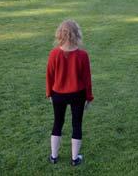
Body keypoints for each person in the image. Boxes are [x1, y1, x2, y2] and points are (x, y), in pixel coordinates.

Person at [46, 20, 94, 166]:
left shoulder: (54, 54)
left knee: (58, 123)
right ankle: (74, 159)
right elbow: (87, 79)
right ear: (77, 34)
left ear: (60, 34)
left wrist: (49, 93)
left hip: (58, 94)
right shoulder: (82, 55)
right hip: (77, 95)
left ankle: (54, 157)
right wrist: (89, 97)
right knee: (76, 124)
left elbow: (49, 76)